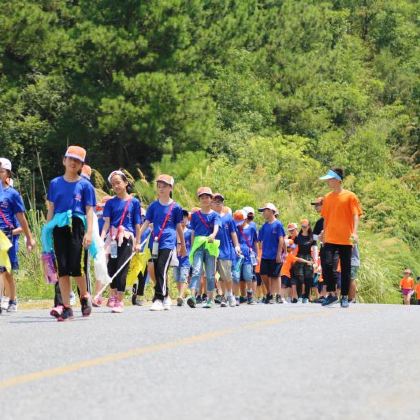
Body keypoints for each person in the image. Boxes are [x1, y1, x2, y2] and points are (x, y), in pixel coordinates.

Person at [46, 146, 96, 321]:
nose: (73, 163)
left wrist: (89, 232)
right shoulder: (54, 183)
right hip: (59, 226)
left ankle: (84, 295)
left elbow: (89, 210)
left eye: (77, 160)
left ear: (82, 165)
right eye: (70, 159)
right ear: (64, 160)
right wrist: (47, 230)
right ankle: (66, 306)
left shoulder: (85, 185)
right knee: (63, 268)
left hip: (77, 225)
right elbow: (51, 208)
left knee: (76, 267)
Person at [139, 175, 186, 311]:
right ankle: (166, 296)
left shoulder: (176, 207)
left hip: (169, 241)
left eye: (164, 186)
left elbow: (179, 227)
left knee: (161, 267)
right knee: (157, 269)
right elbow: (146, 223)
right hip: (155, 242)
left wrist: (182, 245)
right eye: (159, 186)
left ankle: (158, 298)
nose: (161, 188)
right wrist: (137, 239)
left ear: (171, 188)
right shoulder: (153, 206)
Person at [319, 168, 362, 308]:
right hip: (330, 237)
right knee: (326, 264)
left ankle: (344, 296)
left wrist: (355, 232)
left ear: (338, 180)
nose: (328, 182)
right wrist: (323, 233)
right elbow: (325, 218)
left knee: (345, 268)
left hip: (345, 238)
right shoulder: (327, 197)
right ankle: (332, 294)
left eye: (330, 179)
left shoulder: (350, 196)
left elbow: (356, 215)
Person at [101, 170, 142, 313]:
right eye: (113, 184)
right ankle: (112, 294)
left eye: (118, 182)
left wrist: (137, 241)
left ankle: (119, 299)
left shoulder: (134, 202)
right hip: (112, 238)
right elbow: (106, 223)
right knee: (111, 267)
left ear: (125, 183)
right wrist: (101, 239)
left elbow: (137, 224)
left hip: (126, 237)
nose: (116, 186)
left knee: (122, 267)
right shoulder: (110, 203)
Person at [0, 159, 35, 313]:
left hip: (5, 234)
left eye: (1, 171)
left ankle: (12, 299)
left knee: (5, 271)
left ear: (8, 173)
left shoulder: (12, 194)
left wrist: (29, 237)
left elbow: (21, 218)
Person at [187, 187, 221, 308]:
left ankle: (210, 299)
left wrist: (213, 234)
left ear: (211, 199)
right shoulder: (195, 215)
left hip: (210, 245)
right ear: (199, 200)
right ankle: (192, 296)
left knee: (210, 273)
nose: (204, 199)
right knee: (196, 271)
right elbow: (192, 232)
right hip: (198, 245)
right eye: (202, 197)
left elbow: (216, 226)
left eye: (207, 197)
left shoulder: (215, 215)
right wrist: (192, 247)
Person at [212, 193, 241, 307]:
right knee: (217, 276)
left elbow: (233, 233)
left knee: (226, 275)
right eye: (215, 200)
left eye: (220, 200)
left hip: (226, 250)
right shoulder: (210, 216)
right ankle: (224, 295)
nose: (218, 202)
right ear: (211, 203)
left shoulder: (228, 217)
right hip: (213, 250)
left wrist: (237, 246)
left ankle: (230, 294)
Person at [257, 203, 286, 304]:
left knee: (275, 275)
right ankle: (269, 292)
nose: (263, 213)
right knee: (263, 274)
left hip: (275, 255)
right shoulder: (264, 226)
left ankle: (276, 295)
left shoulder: (278, 224)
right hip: (265, 255)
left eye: (264, 211)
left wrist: (279, 254)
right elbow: (259, 240)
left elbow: (281, 239)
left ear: (270, 211)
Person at [233, 209, 258, 304]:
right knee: (236, 276)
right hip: (237, 256)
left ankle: (250, 295)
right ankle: (236, 296)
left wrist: (256, 254)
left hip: (248, 256)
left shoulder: (251, 229)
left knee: (248, 276)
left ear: (245, 219)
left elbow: (255, 242)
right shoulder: (235, 228)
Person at [294, 219, 317, 303]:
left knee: (308, 278)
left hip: (308, 258)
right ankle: (299, 296)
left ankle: (306, 297)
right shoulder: (298, 237)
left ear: (309, 226)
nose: (303, 228)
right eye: (302, 226)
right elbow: (294, 248)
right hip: (299, 257)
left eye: (305, 226)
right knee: (299, 278)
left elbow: (315, 249)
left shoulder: (312, 237)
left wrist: (315, 262)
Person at [174, 209, 192, 306]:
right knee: (177, 277)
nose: (182, 219)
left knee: (183, 277)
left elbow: (192, 245)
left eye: (185, 217)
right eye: (181, 217)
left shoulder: (189, 232)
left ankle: (180, 296)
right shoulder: (174, 231)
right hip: (176, 258)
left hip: (186, 258)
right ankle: (182, 296)